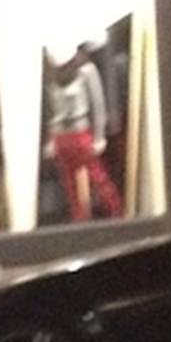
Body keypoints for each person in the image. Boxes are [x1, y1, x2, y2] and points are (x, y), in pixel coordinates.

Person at [46, 46, 122, 221]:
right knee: (70, 184)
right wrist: (51, 139)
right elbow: (50, 109)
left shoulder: (86, 72)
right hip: (61, 136)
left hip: (81, 133)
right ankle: (79, 221)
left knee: (99, 178)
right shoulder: (52, 78)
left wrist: (99, 135)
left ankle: (117, 214)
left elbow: (97, 104)